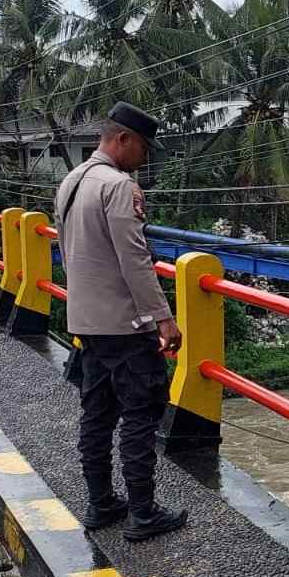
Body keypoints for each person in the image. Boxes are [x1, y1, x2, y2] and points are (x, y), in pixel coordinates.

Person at [55, 101, 188, 539]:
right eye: (143, 148)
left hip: (86, 322)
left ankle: (101, 503)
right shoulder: (118, 187)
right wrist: (163, 318)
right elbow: (134, 259)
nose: (144, 158)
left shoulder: (72, 181)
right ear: (123, 139)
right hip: (126, 326)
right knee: (141, 413)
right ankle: (143, 513)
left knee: (97, 414)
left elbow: (69, 252)